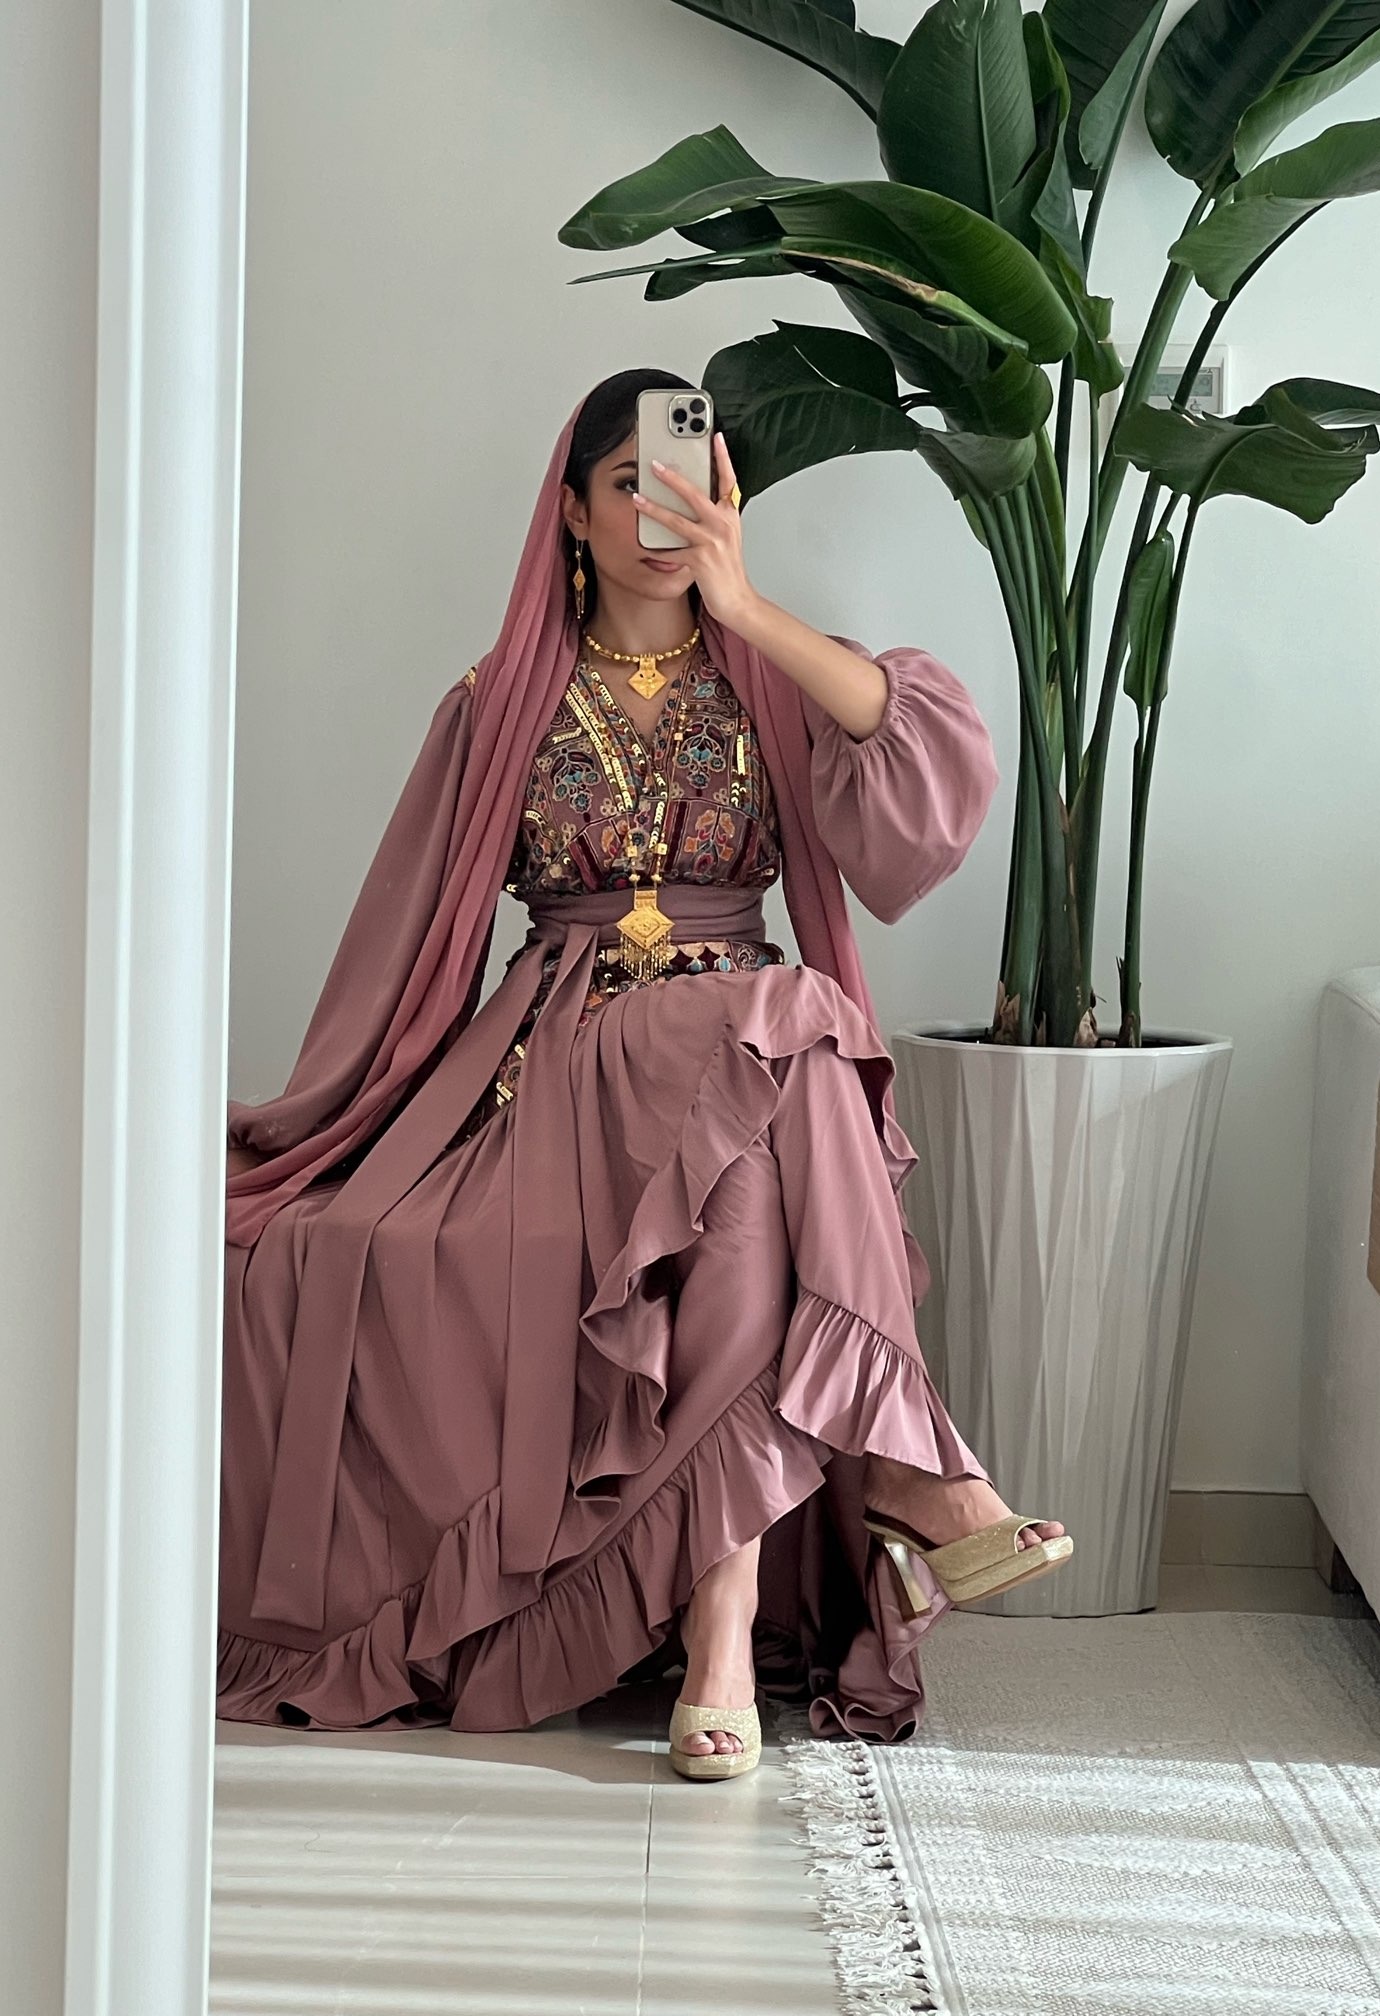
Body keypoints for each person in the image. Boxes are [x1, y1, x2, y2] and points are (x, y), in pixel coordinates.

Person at [220, 368, 1072, 1784]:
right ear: (571, 512)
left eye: (691, 484)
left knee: (757, 1162)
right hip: (562, 1058)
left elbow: (925, 775)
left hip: (749, 1075)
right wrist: (337, 1121)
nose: (663, 513)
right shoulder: (498, 703)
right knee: (797, 1018)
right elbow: (410, 935)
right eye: (632, 484)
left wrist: (747, 607)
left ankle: (721, 1631)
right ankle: (915, 1472)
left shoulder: (774, 679)